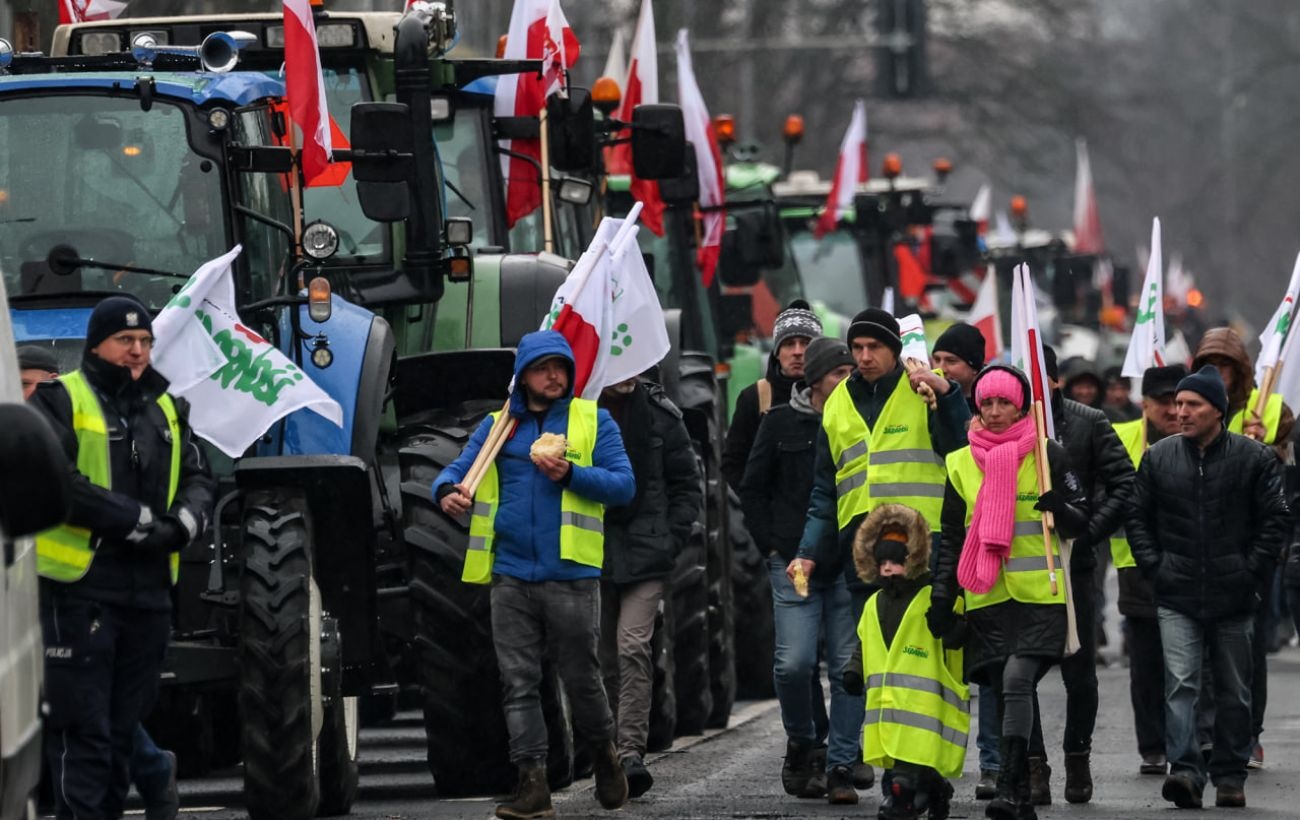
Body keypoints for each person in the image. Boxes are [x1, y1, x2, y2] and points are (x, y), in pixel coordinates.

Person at [433, 330, 636, 819]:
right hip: (510, 576)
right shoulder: (497, 426)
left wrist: (569, 474)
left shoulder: (592, 421)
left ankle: (606, 755)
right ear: (522, 376)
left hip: (571, 575)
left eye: (561, 368)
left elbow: (624, 485)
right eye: (544, 368)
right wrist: (445, 492)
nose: (555, 376)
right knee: (518, 683)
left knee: (581, 678)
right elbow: (457, 472)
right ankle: (532, 785)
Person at [29, 296, 215, 820]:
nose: (137, 352)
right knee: (83, 731)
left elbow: (202, 477)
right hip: (80, 591)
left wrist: (182, 524)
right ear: (97, 346)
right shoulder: (58, 399)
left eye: (145, 343)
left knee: (118, 729)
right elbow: (59, 483)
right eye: (125, 342)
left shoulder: (167, 407)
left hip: (150, 594)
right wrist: (133, 521)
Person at [793, 308, 971, 805]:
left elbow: (962, 447)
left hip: (924, 554)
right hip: (865, 558)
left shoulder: (921, 391)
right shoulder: (835, 408)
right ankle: (900, 778)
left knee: (922, 667)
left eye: (874, 348)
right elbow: (825, 493)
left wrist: (948, 395)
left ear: (895, 349)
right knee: (879, 671)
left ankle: (920, 772)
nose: (864, 358)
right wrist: (808, 552)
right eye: (857, 349)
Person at [1126, 365, 1289, 810]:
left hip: (1233, 596)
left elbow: (1275, 520)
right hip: (1176, 593)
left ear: (1217, 410)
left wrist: (1249, 570)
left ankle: (1230, 774)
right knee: (1181, 685)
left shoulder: (1252, 458)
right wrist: (1156, 567)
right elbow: (1137, 517)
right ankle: (1186, 772)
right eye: (1178, 404)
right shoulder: (1159, 457)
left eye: (1192, 404)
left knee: (1235, 688)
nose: (1180, 412)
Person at [931, 365, 1089, 820]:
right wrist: (943, 596)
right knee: (1003, 690)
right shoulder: (960, 462)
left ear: (1021, 406)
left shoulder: (1046, 455)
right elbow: (952, 538)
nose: (996, 412)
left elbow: (1085, 519)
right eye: (986, 403)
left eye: (1004, 403)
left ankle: (1005, 785)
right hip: (987, 599)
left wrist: (1061, 508)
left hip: (1041, 598)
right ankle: (1019, 797)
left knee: (1018, 681)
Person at [740, 337, 855, 800]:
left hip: (848, 563)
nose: (848, 380)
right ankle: (804, 743)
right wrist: (772, 545)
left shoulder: (859, 424)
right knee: (794, 663)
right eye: (839, 374)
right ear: (816, 380)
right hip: (792, 564)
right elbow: (751, 487)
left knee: (849, 667)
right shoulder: (781, 422)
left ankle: (842, 763)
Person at [1021, 346, 1135, 806]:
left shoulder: (1089, 422)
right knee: (1020, 676)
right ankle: (1033, 767)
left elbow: (1125, 482)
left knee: (1080, 675)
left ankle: (1077, 756)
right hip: (1023, 569)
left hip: (1077, 567)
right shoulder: (1005, 423)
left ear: (1055, 380)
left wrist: (1088, 531)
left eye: (1040, 379)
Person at [1191, 327, 1293, 766]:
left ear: (1241, 369)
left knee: (1248, 647)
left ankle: (1250, 733)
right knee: (1204, 650)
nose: (1219, 374)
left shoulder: (1272, 409)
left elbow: (1284, 479)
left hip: (1250, 546)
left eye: (1226, 365)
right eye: (1210, 366)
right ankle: (1210, 733)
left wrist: (1266, 446)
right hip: (1203, 542)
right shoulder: (1193, 406)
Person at [596, 373, 701, 798]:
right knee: (601, 658)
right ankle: (605, 749)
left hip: (648, 556)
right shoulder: (580, 413)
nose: (626, 376)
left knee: (632, 646)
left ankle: (630, 751)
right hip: (592, 553)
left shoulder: (662, 417)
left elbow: (686, 485)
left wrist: (670, 539)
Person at [845, 503, 967, 820]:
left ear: (911, 559)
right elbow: (865, 641)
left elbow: (957, 639)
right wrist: (853, 671)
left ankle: (906, 802)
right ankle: (931, 791)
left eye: (896, 561)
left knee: (907, 773)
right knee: (902, 769)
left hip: (925, 710)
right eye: (883, 561)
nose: (888, 568)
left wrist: (952, 628)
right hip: (889, 710)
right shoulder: (874, 604)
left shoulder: (932, 599)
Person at [1109, 364, 1188, 777]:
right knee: (1147, 664)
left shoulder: (1200, 434)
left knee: (1189, 662)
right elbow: (1111, 496)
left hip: (1190, 565)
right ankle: (1154, 747)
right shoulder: (1122, 439)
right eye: (1163, 403)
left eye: (1179, 402)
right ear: (1145, 404)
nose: (1173, 412)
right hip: (1136, 568)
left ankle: (1188, 743)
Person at [722, 299, 822, 491]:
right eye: (789, 344)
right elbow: (733, 462)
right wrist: (757, 505)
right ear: (776, 352)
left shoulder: (834, 394)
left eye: (805, 343)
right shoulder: (756, 397)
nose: (797, 352)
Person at [1192, 327, 1295, 445]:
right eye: (1210, 364)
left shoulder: (1276, 410)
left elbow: (1290, 459)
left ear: (1237, 369)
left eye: (1224, 364)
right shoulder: (1182, 408)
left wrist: (1261, 451)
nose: (1216, 370)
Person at [931, 322, 985, 413]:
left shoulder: (992, 406)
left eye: (951, 361)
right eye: (937, 360)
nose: (941, 369)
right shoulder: (927, 402)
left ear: (974, 368)